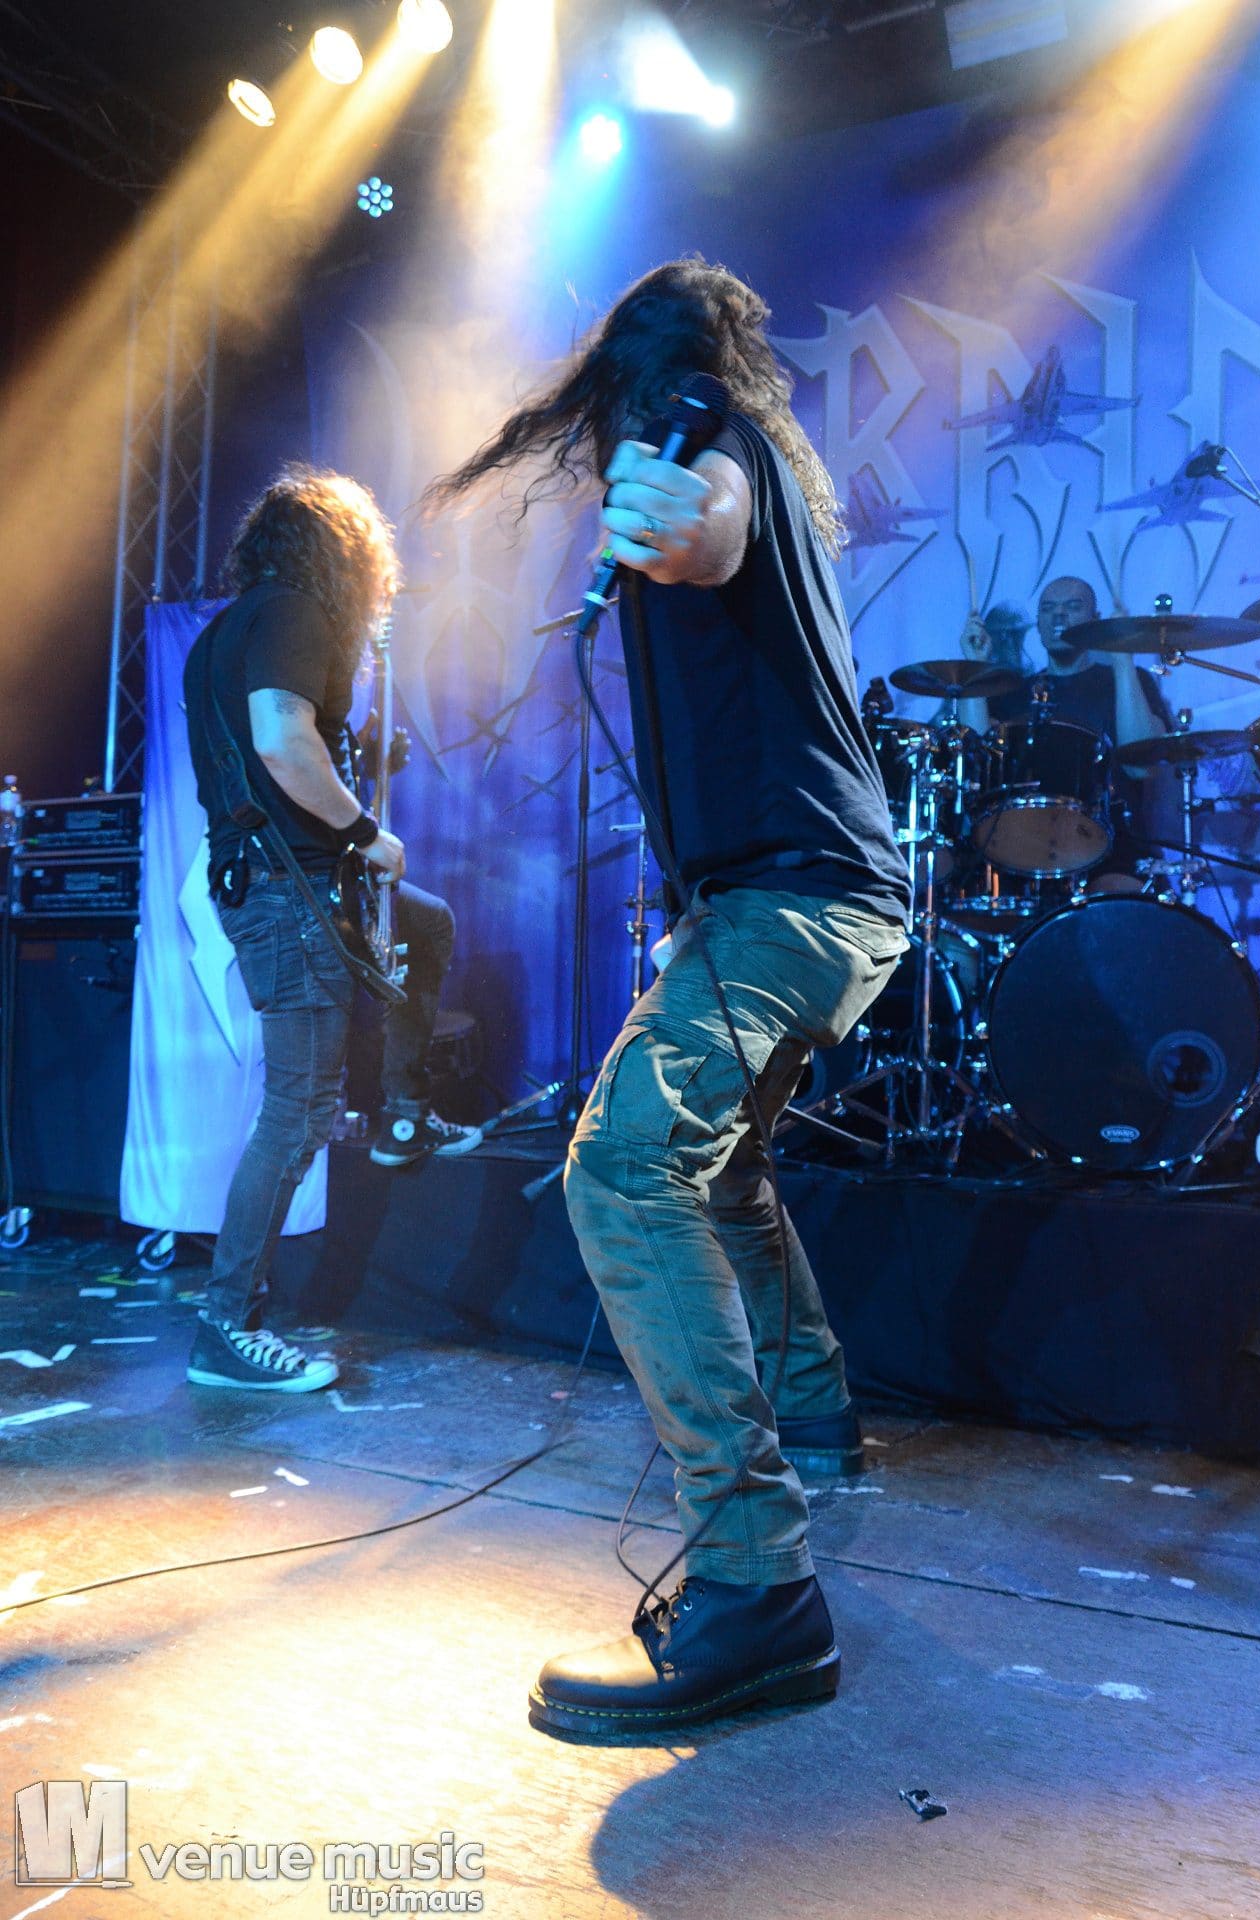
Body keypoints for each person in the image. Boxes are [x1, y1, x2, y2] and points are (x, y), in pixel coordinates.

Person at [425, 258, 913, 1736]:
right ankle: (813, 1411)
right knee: (724, 1169)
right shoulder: (745, 447)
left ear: (637, 389)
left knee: (625, 1171)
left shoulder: (718, 448)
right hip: (825, 898)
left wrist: (672, 502)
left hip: (792, 900)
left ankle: (758, 1591)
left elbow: (711, 522)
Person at [183, 466, 479, 1395]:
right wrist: (362, 831)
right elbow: (281, 741)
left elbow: (280, 743)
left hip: (283, 882)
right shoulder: (296, 613)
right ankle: (225, 1326)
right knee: (299, 1111)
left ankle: (401, 1110)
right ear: (341, 552)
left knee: (426, 925)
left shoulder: (230, 628)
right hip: (288, 891)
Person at [958, 575, 1172, 891]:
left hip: (1115, 849)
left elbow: (1141, 766)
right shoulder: (1015, 692)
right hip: (1026, 845)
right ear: (1038, 624)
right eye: (1048, 609)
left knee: (1115, 902)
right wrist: (974, 666)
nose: (1059, 615)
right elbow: (978, 758)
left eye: (1073, 607)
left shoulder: (1128, 680)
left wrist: (1122, 657)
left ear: (1095, 620)